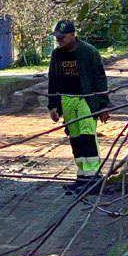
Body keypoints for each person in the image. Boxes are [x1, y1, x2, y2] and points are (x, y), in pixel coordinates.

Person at [47, 19, 110, 193]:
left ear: (73, 35)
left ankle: (93, 178)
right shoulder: (57, 55)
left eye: (62, 37)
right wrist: (53, 105)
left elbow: (99, 78)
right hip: (67, 100)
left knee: (87, 136)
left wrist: (103, 104)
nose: (59, 40)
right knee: (75, 138)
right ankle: (82, 177)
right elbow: (53, 79)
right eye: (57, 37)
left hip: (86, 100)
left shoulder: (89, 52)